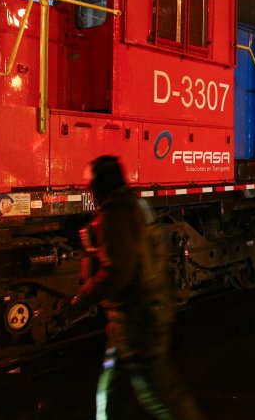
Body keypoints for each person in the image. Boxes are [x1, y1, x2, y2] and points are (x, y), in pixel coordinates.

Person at [60, 155, 206, 420]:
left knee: (161, 395)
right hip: (137, 313)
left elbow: (118, 272)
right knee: (114, 388)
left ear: (100, 185)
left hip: (138, 316)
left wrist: (78, 302)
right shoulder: (134, 206)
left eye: (89, 184)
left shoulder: (114, 216)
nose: (87, 190)